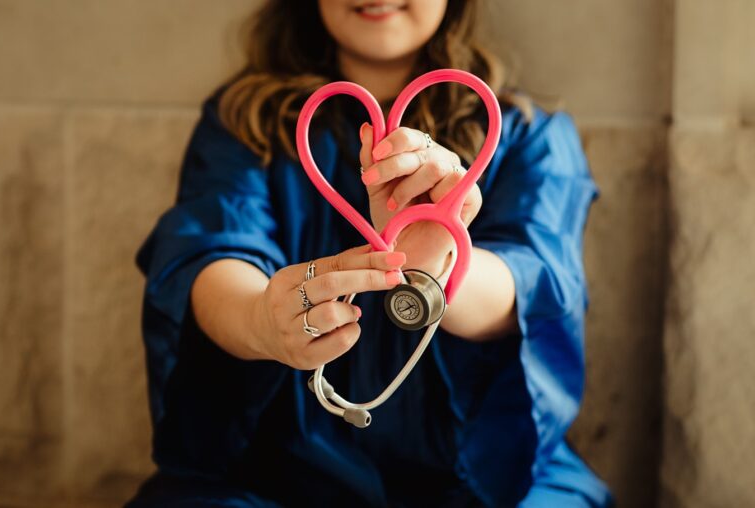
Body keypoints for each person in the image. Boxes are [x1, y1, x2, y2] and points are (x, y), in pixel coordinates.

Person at [126, 0, 613, 506]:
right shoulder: (242, 123)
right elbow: (207, 253)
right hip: (277, 472)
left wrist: (432, 268)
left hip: (487, 474)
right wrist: (263, 321)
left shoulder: (529, 134)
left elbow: (535, 283)